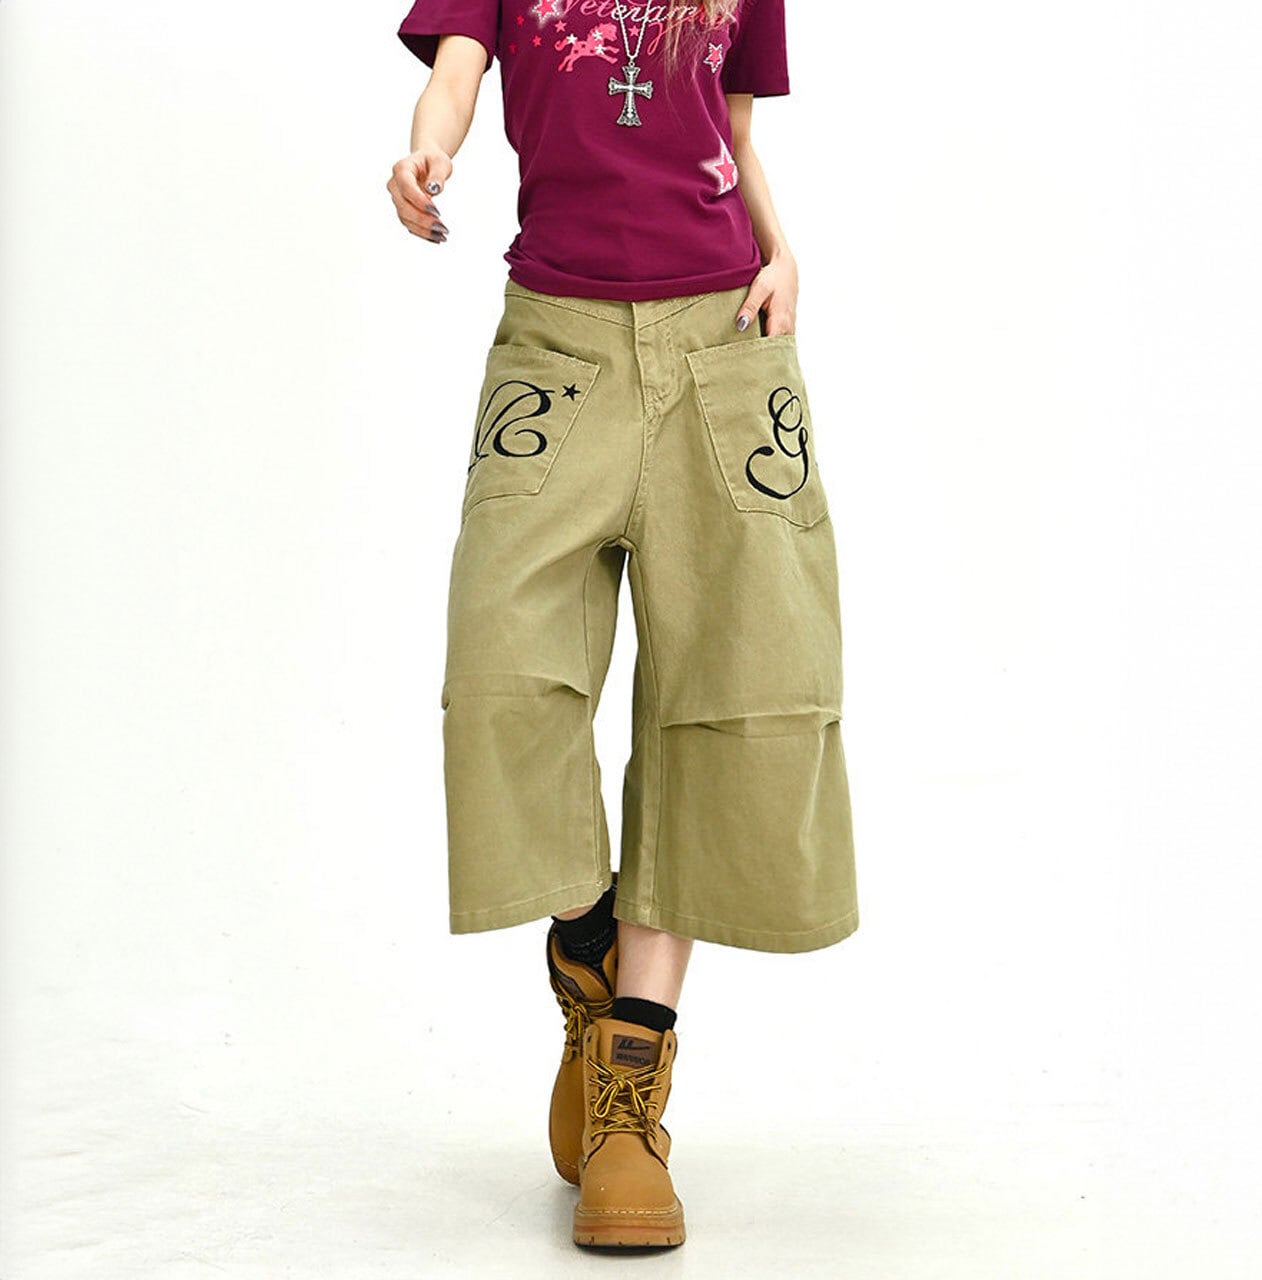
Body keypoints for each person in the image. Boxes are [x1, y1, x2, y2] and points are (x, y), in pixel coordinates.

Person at [388, 0, 859, 1249]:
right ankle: (587, 932)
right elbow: (455, 76)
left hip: (726, 337)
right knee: (500, 671)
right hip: (556, 346)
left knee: (731, 687)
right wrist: (425, 147)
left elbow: (732, 133)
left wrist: (783, 248)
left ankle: (628, 1101)